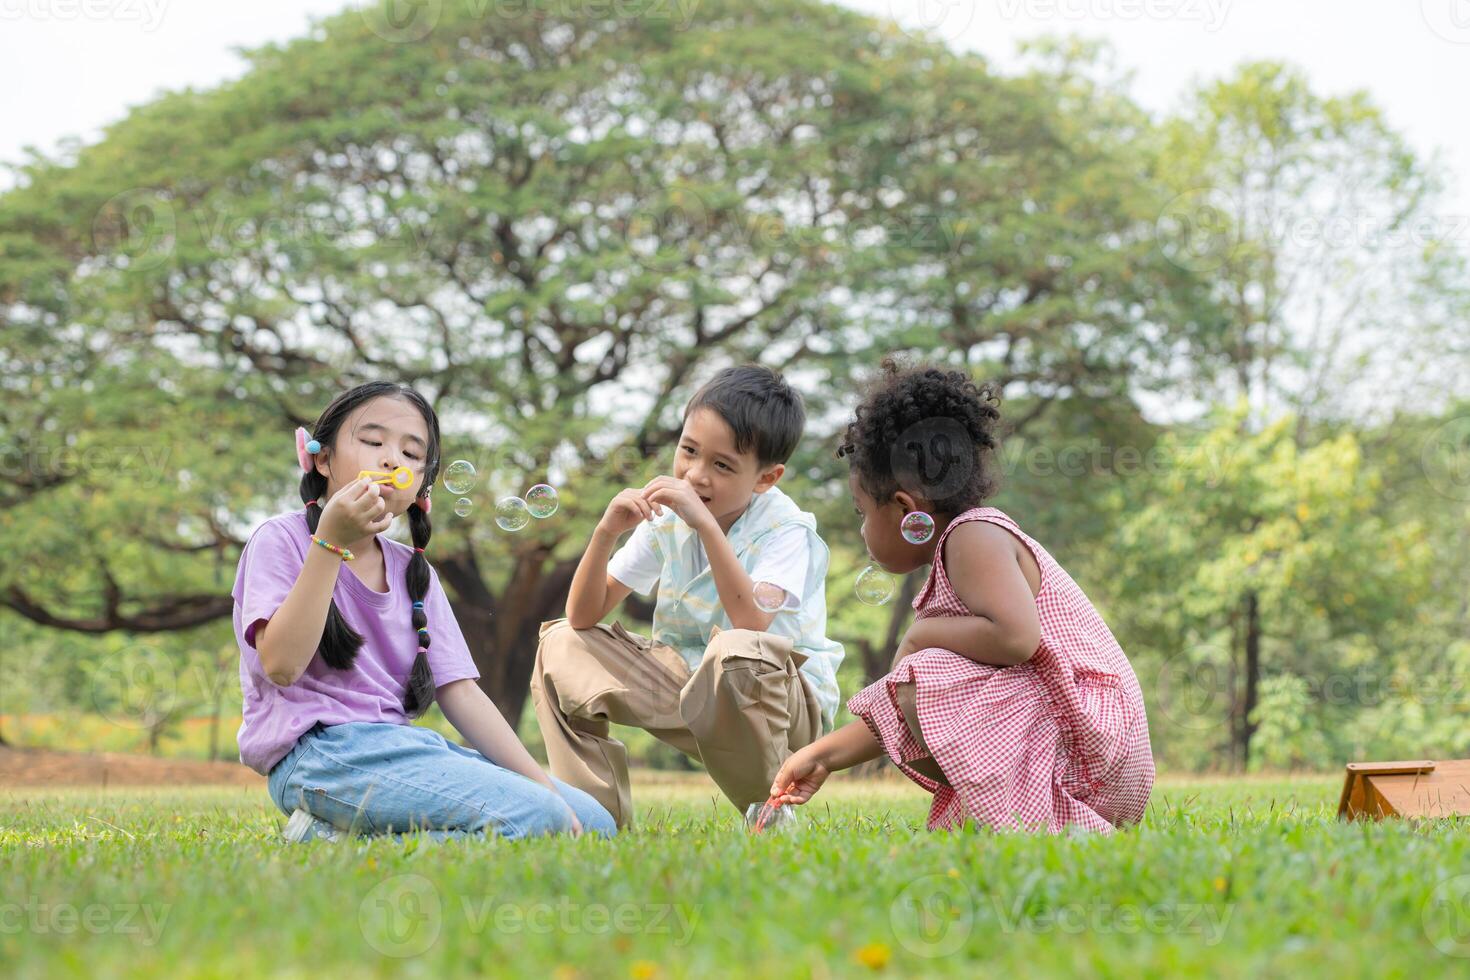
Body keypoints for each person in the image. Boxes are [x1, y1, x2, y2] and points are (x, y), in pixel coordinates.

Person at [769, 360, 1154, 833]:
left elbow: (1016, 637)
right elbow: (912, 703)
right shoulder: (963, 550)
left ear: (906, 509)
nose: (862, 530)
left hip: (1094, 749)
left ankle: (1042, 820)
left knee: (924, 673)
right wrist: (821, 755)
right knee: (925, 679)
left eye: (862, 512)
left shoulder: (973, 536)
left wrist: (921, 636)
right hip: (1090, 754)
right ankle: (1023, 816)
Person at [232, 381, 615, 841]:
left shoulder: (413, 571)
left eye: (412, 454)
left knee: (593, 822)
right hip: (319, 755)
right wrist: (329, 541)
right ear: (321, 457)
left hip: (402, 747)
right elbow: (280, 665)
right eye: (373, 442)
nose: (391, 459)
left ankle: (338, 838)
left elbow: (462, 695)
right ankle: (325, 841)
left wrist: (540, 785)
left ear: (419, 489)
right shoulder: (280, 540)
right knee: (539, 821)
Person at [532, 365, 844, 828]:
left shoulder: (786, 531)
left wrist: (702, 524)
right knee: (561, 644)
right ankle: (595, 819)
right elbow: (582, 616)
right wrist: (606, 532)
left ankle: (769, 813)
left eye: (722, 465)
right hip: (689, 686)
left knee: (736, 649)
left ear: (766, 478)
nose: (695, 476)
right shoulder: (666, 519)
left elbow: (751, 624)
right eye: (689, 451)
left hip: (778, 708)